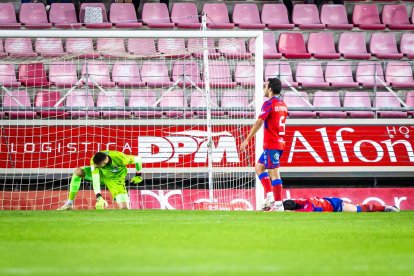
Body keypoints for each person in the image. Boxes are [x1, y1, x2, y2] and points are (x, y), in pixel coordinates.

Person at [240, 78, 288, 212]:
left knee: (274, 174)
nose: (264, 89)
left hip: (272, 144)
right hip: (279, 143)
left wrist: (247, 139)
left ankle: (278, 206)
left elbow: (259, 122)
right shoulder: (283, 104)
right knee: (259, 168)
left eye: (265, 86)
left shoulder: (269, 104)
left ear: (270, 89)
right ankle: (270, 196)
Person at [58, 150, 143, 210]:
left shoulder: (120, 158)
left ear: (104, 164)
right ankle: (69, 203)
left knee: (124, 209)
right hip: (100, 176)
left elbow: (138, 159)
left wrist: (138, 175)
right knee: (78, 172)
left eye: (97, 166)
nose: (95, 167)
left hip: (116, 180)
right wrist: (99, 197)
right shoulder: (94, 161)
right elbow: (95, 179)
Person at [283, 197, 400, 212]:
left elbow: (311, 211)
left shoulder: (308, 206)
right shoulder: (300, 200)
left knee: (359, 209)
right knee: (359, 208)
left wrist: (290, 212)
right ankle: (386, 208)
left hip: (336, 206)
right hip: (331, 202)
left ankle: (386, 208)